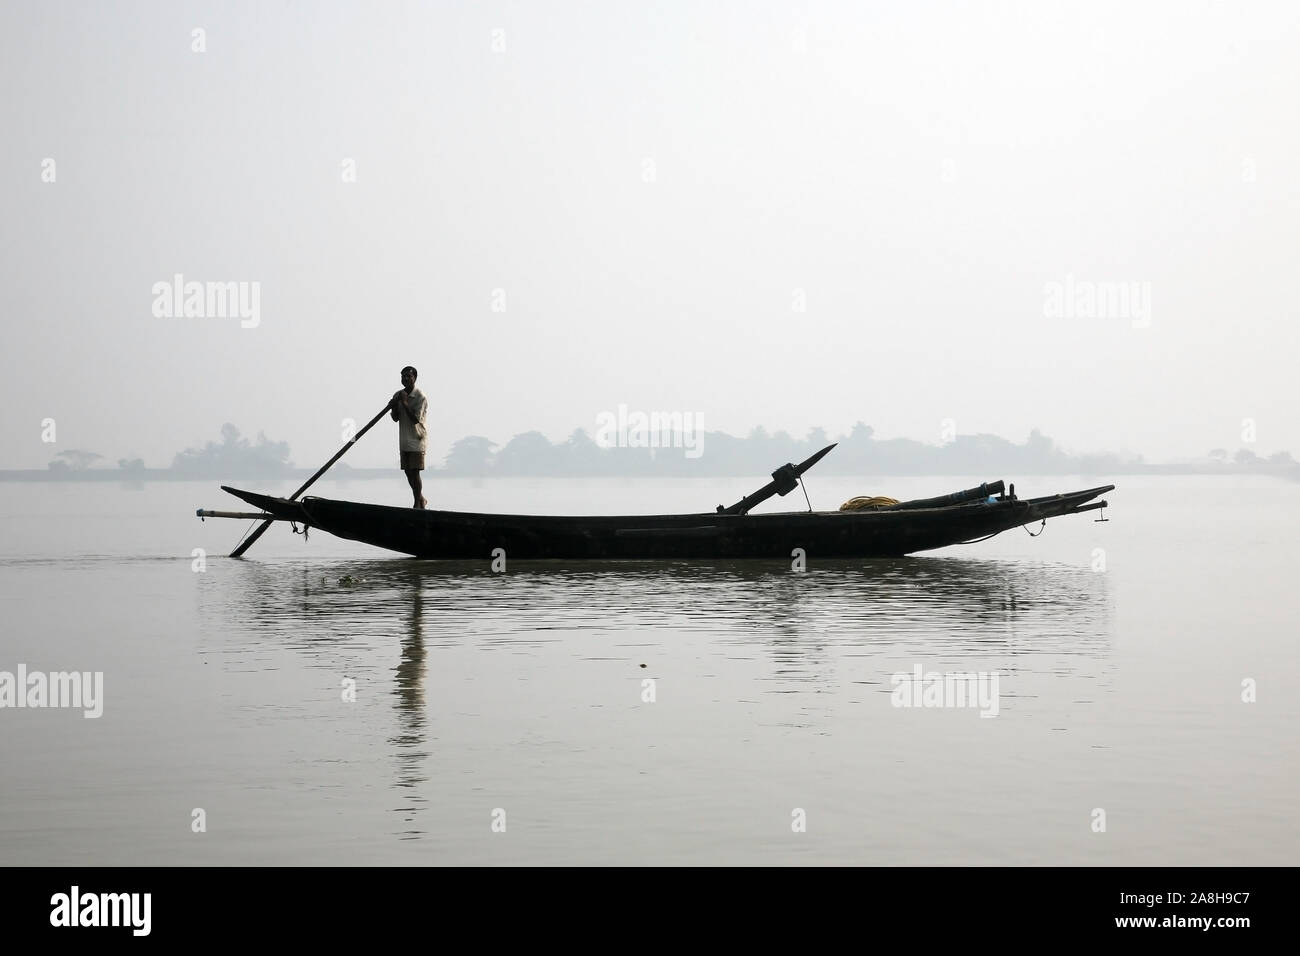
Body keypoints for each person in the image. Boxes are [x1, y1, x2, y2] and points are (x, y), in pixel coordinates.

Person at [390, 366, 428, 508]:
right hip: (404, 439)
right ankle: (421, 499)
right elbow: (395, 418)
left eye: (408, 376)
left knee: (415, 471)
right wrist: (394, 406)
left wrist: (405, 402)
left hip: (417, 439)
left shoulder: (420, 396)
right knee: (408, 472)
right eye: (403, 376)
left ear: (414, 378)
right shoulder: (398, 394)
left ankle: (417, 502)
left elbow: (415, 420)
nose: (405, 379)